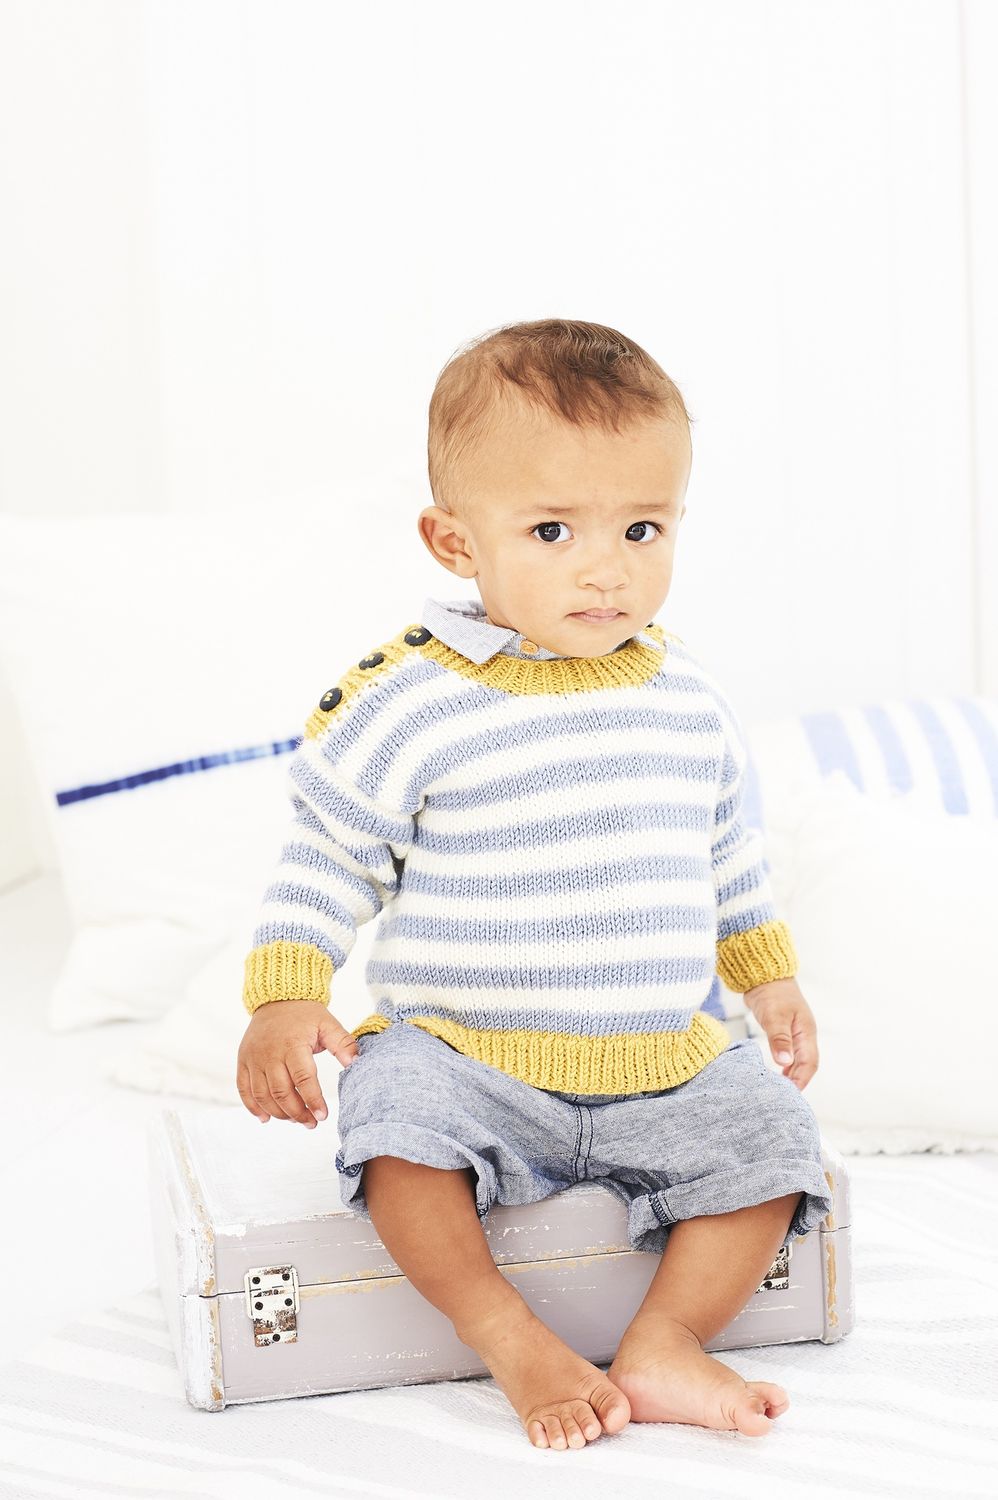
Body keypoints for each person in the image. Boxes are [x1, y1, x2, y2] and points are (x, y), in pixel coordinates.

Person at [236, 318, 832, 1452]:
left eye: (642, 527)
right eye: (552, 529)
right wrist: (284, 990)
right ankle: (504, 1330)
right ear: (454, 542)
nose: (606, 568)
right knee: (395, 1125)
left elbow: (725, 854)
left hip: (659, 1055)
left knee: (771, 1138)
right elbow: (327, 854)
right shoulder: (411, 699)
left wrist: (769, 978)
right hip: (470, 1051)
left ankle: (664, 1339)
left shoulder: (683, 694)